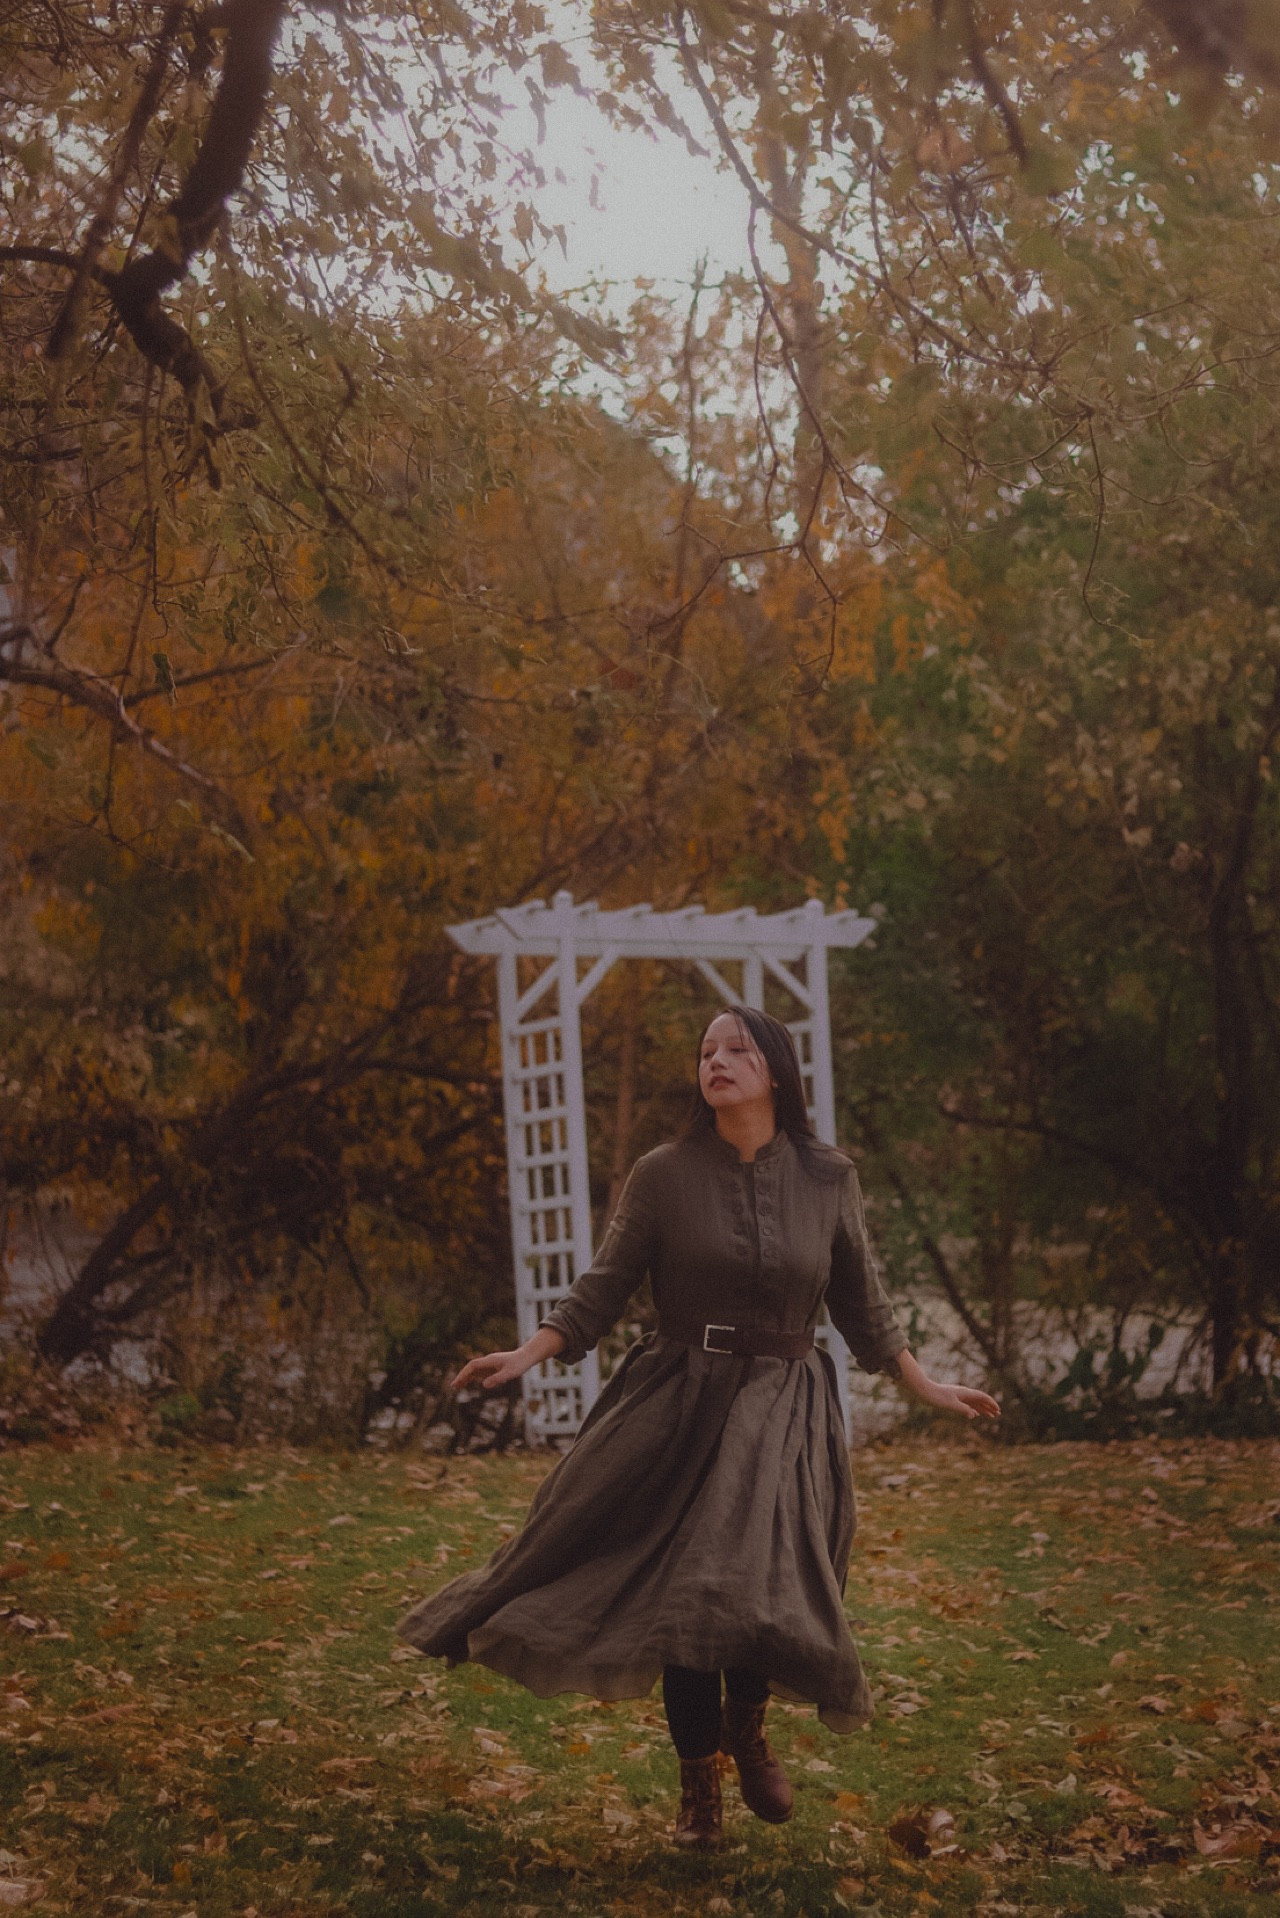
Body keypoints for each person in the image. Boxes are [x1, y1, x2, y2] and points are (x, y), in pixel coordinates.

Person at [398, 1007, 999, 1848]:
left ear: (777, 1072)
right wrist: (526, 1354)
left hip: (784, 1409)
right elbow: (601, 1288)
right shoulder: (663, 1173)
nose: (716, 1061)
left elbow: (862, 1302)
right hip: (677, 1400)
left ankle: (745, 1727)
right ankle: (698, 1793)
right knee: (688, 1597)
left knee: (751, 1583)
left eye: (737, 1049)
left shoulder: (830, 1176)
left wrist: (927, 1385)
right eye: (706, 1051)